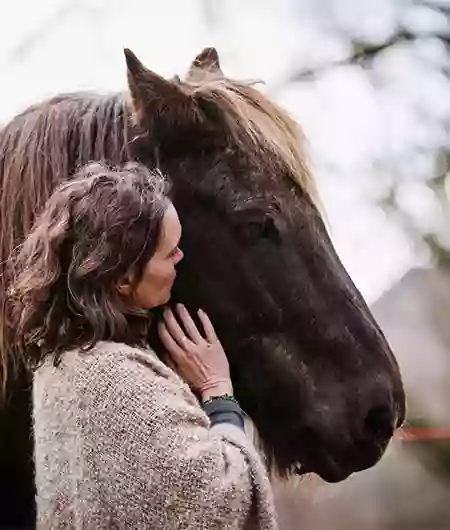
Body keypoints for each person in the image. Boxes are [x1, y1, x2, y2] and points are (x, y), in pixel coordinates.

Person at [3, 162, 277, 529]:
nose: (182, 258)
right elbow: (220, 502)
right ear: (121, 277)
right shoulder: (115, 380)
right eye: (170, 252)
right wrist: (218, 393)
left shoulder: (61, 366)